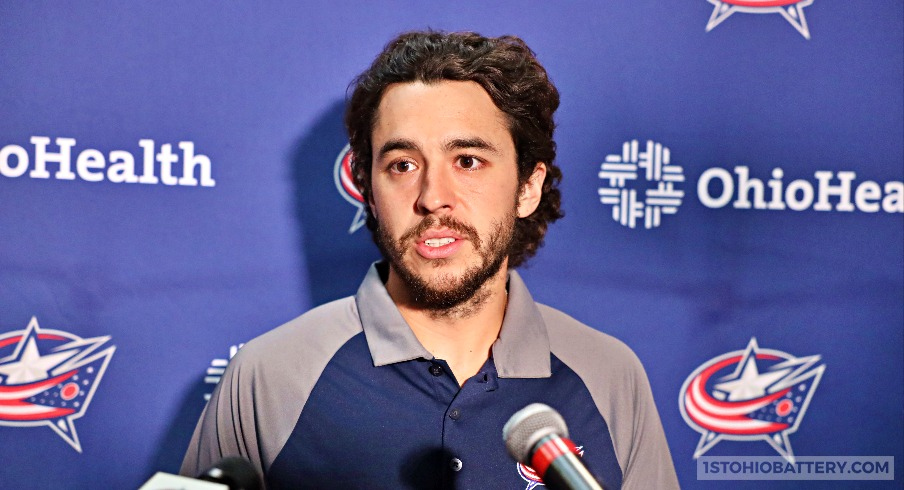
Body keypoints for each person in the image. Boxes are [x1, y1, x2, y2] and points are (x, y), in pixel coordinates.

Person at [181, 31, 679, 489]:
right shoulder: (270, 376)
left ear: (528, 187)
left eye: (468, 161)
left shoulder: (608, 375)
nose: (432, 197)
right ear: (370, 193)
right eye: (402, 165)